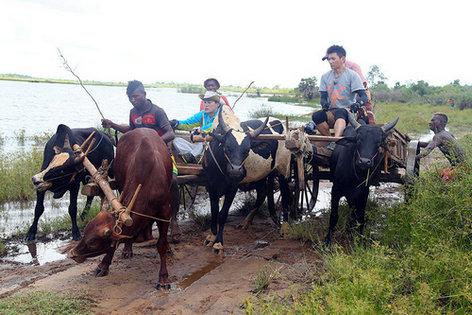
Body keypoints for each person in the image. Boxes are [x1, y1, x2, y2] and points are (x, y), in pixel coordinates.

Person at [101, 80, 181, 241]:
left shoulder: (157, 112)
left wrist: (155, 142)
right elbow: (131, 130)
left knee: (172, 180)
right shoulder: (133, 112)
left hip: (161, 154)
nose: (133, 100)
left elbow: (170, 133)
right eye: (130, 97)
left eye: (136, 96)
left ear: (144, 94)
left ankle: (173, 219)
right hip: (139, 157)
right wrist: (113, 125)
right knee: (126, 181)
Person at [311, 45, 368, 148]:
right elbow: (323, 97)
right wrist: (324, 103)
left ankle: (336, 140)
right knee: (316, 116)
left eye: (333, 59)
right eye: (329, 59)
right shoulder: (325, 76)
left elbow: (364, 96)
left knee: (341, 112)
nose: (330, 61)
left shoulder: (352, 75)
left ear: (342, 59)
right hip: (331, 112)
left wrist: (357, 104)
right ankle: (330, 140)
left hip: (348, 113)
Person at [170, 91, 222, 162]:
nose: (206, 105)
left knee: (204, 142)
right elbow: (188, 123)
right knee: (177, 141)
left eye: (209, 102)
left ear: (217, 104)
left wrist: (201, 130)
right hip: (199, 147)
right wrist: (176, 123)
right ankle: (192, 157)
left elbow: (213, 127)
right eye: (205, 102)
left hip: (211, 147)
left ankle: (192, 156)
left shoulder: (222, 115)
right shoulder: (203, 114)